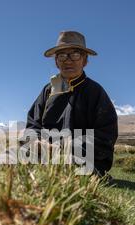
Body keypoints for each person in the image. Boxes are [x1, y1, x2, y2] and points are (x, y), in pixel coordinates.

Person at [25, 30, 118, 177]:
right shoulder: (48, 91)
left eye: (75, 55)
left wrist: (60, 149)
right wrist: (36, 143)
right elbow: (32, 125)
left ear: (85, 60)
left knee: (68, 172)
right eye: (62, 56)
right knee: (8, 157)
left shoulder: (95, 92)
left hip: (83, 161)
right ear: (56, 61)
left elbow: (104, 138)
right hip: (45, 157)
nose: (68, 60)